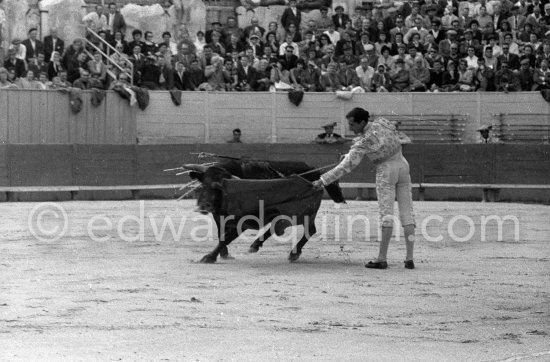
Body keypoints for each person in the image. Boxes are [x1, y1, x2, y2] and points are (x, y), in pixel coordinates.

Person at [312, 108, 415, 269]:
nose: (350, 128)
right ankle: (409, 258)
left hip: (386, 171)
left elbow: (346, 167)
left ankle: (382, 258)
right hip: (403, 165)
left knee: (386, 214)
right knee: (407, 213)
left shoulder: (362, 142)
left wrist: (322, 180)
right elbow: (399, 137)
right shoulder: (383, 122)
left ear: (362, 122)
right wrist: (348, 155)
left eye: (352, 124)